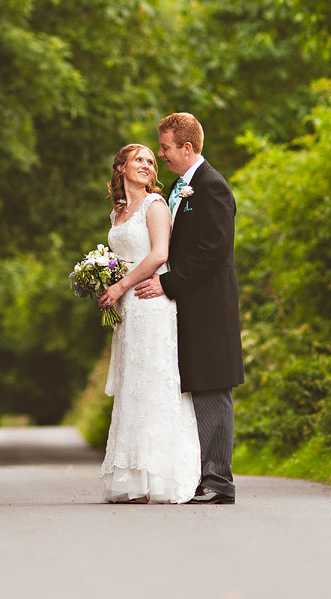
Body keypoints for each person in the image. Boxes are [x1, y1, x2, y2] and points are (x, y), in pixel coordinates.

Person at [134, 112, 244, 505]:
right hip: (190, 309)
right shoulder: (185, 187)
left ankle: (219, 481)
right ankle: (204, 476)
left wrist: (167, 283)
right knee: (199, 390)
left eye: (164, 147)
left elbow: (214, 250)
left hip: (210, 310)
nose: (160, 154)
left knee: (213, 389)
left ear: (187, 147)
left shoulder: (211, 186)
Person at [96, 143, 201, 504]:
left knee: (154, 380)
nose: (146, 165)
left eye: (151, 161)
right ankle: (133, 477)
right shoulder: (119, 214)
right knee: (132, 383)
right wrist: (102, 279)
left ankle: (162, 476)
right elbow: (120, 258)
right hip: (127, 309)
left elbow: (159, 254)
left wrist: (122, 283)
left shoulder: (155, 205)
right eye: (138, 159)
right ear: (121, 166)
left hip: (151, 302)